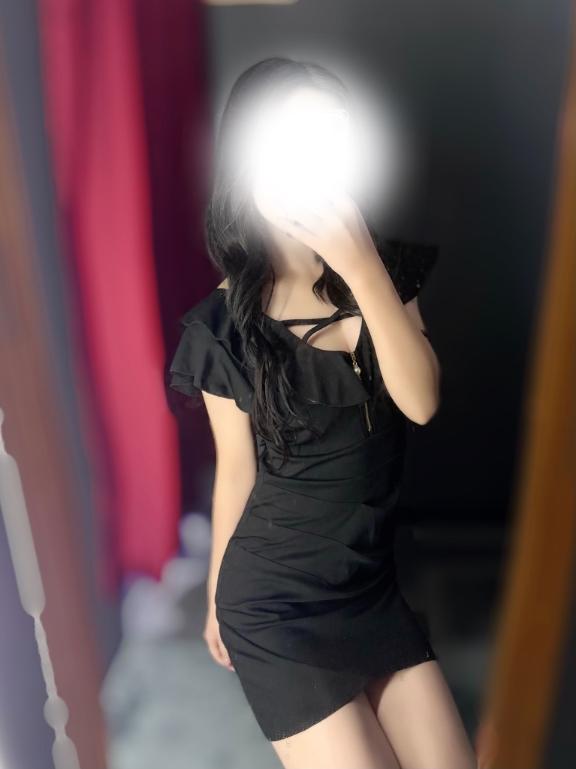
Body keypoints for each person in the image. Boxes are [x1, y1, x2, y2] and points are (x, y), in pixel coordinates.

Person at [169, 56, 477, 769]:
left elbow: (421, 402)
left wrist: (359, 261)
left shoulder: (382, 270)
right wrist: (216, 593)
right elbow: (237, 470)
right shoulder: (221, 327)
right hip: (275, 603)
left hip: (368, 585)